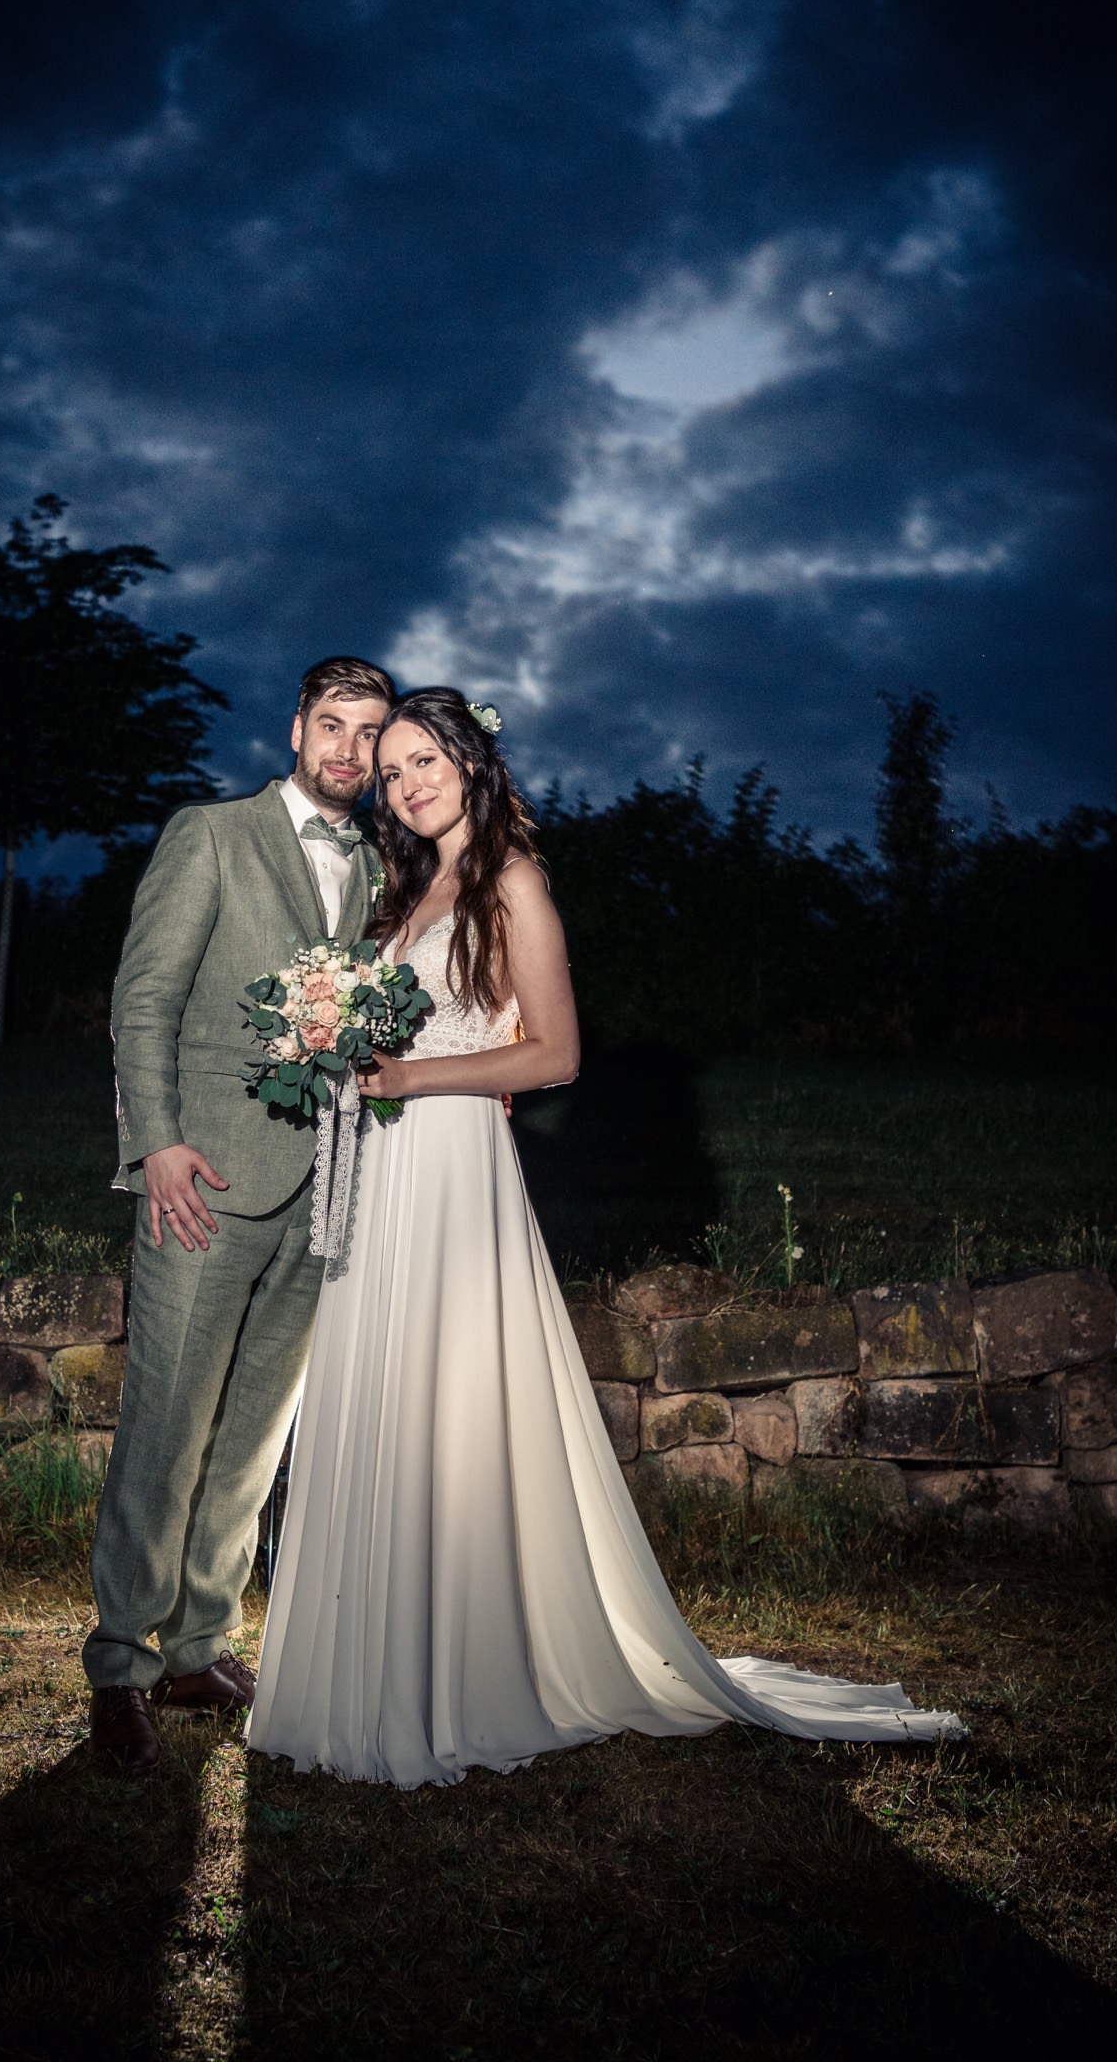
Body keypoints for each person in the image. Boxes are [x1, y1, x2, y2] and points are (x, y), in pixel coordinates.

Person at [246, 690, 965, 1786]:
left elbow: (556, 1057)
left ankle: (455, 1668)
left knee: (449, 1399)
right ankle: (361, 1666)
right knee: (381, 1387)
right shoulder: (405, 888)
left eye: (424, 758)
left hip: (451, 1170)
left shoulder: (513, 881)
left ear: (473, 760)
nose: (407, 783)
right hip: (385, 1169)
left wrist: (415, 1076)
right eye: (390, 771)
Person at [84, 654, 396, 1773]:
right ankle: (119, 1662)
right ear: (297, 724)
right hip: (204, 1184)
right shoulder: (210, 834)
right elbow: (145, 999)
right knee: (166, 1423)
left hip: (329, 1189)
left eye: (369, 733)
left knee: (256, 1435)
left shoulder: (380, 866)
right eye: (333, 725)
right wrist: (153, 1146)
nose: (349, 751)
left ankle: (198, 1646)